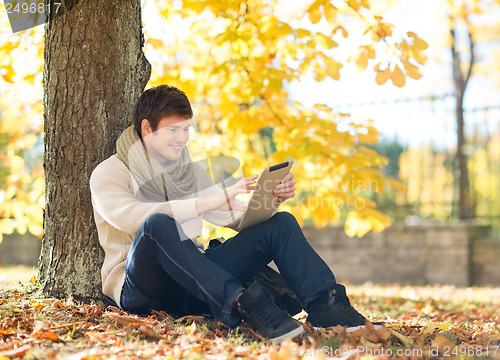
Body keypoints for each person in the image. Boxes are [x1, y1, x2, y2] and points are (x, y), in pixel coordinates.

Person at [89, 85, 378, 344]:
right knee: (156, 224)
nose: (183, 138)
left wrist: (271, 198)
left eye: (186, 128)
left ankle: (326, 305)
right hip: (144, 289)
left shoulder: (188, 173)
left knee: (281, 224)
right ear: (147, 129)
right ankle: (248, 306)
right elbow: (130, 217)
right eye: (173, 130)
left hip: (196, 283)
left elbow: (234, 220)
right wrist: (205, 203)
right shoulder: (111, 171)